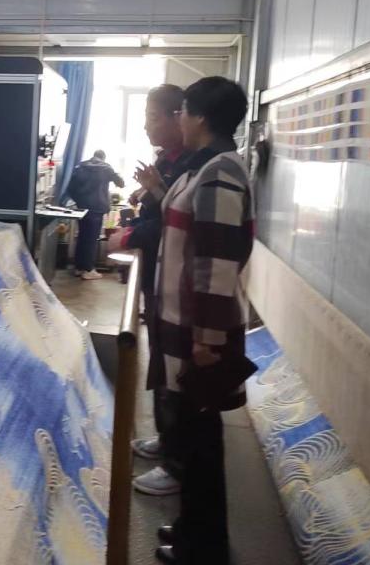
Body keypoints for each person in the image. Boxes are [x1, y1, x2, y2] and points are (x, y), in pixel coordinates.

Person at [154, 77, 254, 565]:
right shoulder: (205, 167)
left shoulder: (220, 172)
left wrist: (208, 340)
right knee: (194, 439)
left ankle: (203, 549)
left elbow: (217, 260)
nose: (178, 119)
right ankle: (192, 529)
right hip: (187, 325)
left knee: (201, 444)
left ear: (200, 117)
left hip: (201, 333)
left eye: (182, 111)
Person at [107, 85, 194, 497]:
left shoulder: (199, 166)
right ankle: (167, 438)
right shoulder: (167, 161)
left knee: (176, 367)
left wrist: (129, 238)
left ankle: (177, 461)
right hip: (159, 275)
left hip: (177, 280)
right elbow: (160, 212)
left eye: (153, 118)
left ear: (183, 117)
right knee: (160, 357)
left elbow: (175, 225)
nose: (146, 127)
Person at [67, 150, 124, 280]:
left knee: (82, 237)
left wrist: (79, 200)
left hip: (81, 208)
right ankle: (88, 270)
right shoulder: (106, 168)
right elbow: (121, 183)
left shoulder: (80, 167)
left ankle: (79, 268)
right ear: (103, 157)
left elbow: (70, 188)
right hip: (97, 208)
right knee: (92, 239)